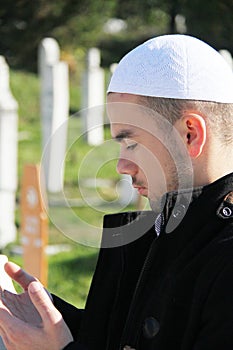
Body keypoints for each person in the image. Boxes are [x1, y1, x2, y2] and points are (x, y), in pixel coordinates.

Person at [0, 34, 233, 350]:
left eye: (131, 142)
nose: (122, 165)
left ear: (190, 134)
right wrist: (53, 320)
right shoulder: (159, 230)